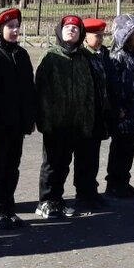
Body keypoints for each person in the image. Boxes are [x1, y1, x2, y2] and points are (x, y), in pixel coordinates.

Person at [0, 7, 35, 229]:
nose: (14, 30)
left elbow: (29, 89)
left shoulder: (21, 54)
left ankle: (9, 209)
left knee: (12, 167)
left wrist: (29, 118)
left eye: (16, 26)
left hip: (17, 123)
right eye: (9, 26)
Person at [34, 16, 96, 215]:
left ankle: (58, 200)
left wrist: (87, 120)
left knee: (65, 163)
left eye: (75, 28)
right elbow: (41, 91)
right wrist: (44, 120)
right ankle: (46, 201)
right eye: (67, 27)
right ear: (60, 31)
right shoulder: (50, 57)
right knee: (52, 164)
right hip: (55, 122)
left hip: (76, 123)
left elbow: (89, 92)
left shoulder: (83, 58)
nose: (71, 31)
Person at [106, 14, 134, 197]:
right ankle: (114, 183)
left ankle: (124, 180)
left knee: (129, 148)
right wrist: (118, 108)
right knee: (119, 148)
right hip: (123, 112)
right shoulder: (117, 57)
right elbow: (113, 85)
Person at [79, 18, 115, 207]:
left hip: (100, 113)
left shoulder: (102, 55)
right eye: (97, 36)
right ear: (85, 37)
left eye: (102, 35)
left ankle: (92, 190)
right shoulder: (82, 56)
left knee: (94, 155)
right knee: (85, 156)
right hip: (87, 114)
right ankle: (84, 193)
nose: (100, 39)